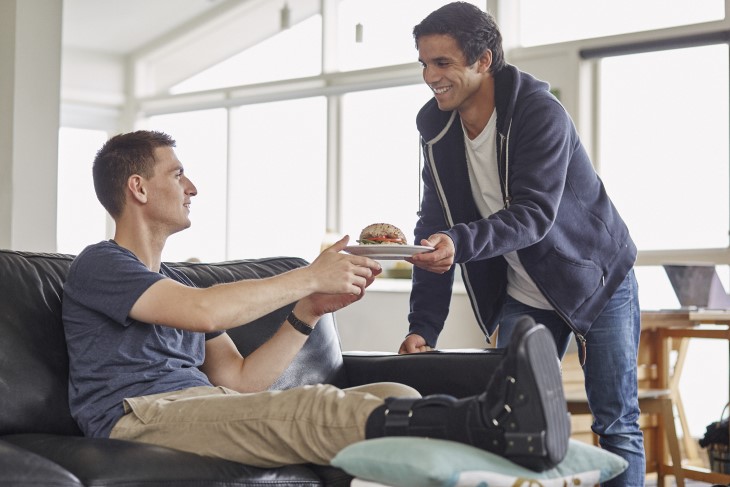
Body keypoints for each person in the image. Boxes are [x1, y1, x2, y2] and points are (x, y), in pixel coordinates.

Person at [62, 129, 570, 471]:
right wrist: (308, 276)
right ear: (138, 188)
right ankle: (492, 425)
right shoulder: (101, 265)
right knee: (308, 408)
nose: (192, 186)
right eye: (176, 174)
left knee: (393, 393)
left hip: (206, 405)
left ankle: (475, 442)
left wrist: (307, 313)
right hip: (141, 417)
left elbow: (239, 382)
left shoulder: (179, 286)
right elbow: (206, 311)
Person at [400, 3, 643, 486]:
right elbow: (433, 225)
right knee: (517, 423)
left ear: (483, 60)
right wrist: (424, 326)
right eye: (424, 63)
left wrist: (457, 240)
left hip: (596, 280)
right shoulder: (436, 127)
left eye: (442, 63)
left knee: (615, 424)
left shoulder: (538, 112)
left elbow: (533, 216)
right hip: (524, 294)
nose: (430, 75)